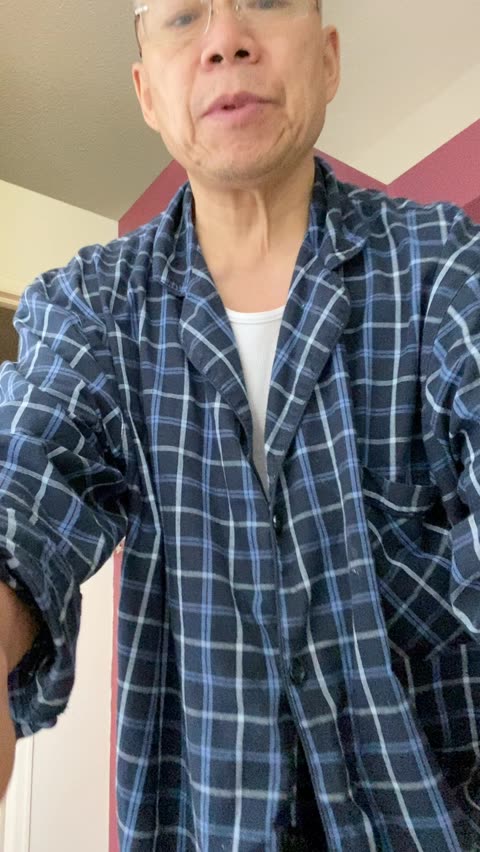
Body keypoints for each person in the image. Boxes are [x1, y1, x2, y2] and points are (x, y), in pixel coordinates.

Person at [1, 0, 480, 848]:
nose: (225, 39)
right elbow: (30, 464)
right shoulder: (92, 307)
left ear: (327, 60)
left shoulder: (445, 267)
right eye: (184, 16)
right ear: (147, 94)